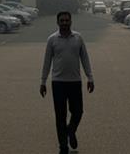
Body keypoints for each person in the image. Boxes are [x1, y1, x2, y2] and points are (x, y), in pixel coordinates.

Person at [40, 11, 94, 154]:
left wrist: (90, 77)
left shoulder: (78, 38)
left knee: (78, 112)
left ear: (71, 21)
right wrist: (43, 81)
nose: (64, 23)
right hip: (58, 83)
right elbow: (46, 62)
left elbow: (85, 59)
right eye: (62, 21)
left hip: (75, 82)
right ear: (57, 22)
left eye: (67, 20)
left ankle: (71, 130)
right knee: (60, 115)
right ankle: (63, 145)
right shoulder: (52, 39)